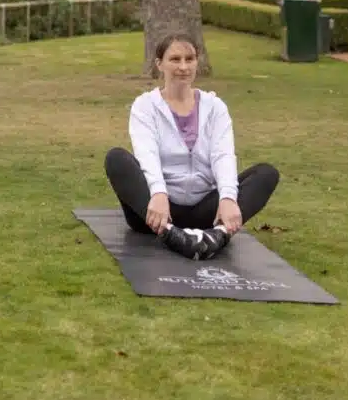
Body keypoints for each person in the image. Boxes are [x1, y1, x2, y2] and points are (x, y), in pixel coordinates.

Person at [104, 32, 279, 260]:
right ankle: (171, 235)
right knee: (116, 158)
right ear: (160, 64)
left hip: (205, 212)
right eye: (175, 59)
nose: (183, 67)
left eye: (190, 59)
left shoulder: (215, 107)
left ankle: (218, 235)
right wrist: (157, 193)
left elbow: (223, 155)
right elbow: (147, 153)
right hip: (157, 210)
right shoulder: (145, 106)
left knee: (266, 173)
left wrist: (227, 198)